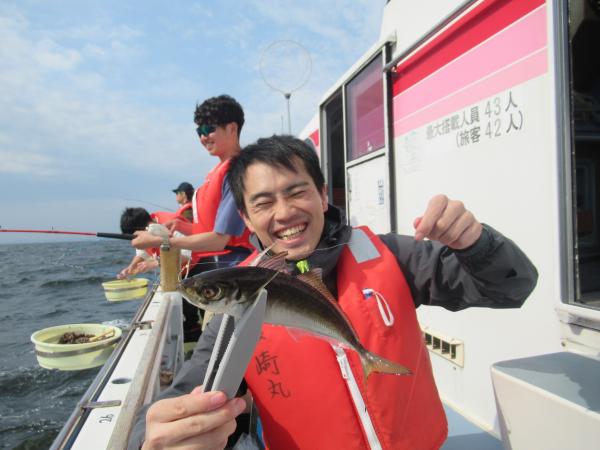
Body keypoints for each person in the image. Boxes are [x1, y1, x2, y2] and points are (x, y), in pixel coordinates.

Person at [128, 135, 538, 450]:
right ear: (247, 220)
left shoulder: (392, 256)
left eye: (297, 192)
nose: (285, 212)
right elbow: (189, 391)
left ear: (323, 195)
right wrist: (157, 434)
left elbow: (511, 288)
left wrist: (475, 244)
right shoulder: (233, 314)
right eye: (264, 203)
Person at [131, 95, 253, 342]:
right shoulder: (219, 171)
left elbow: (219, 240)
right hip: (218, 272)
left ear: (232, 128)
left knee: (218, 346)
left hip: (233, 274)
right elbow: (210, 230)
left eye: (209, 129)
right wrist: (181, 226)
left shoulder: (236, 171)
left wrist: (163, 242)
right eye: (199, 131)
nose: (203, 137)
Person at [117, 207, 191, 280]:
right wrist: (130, 268)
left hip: (193, 269)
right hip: (176, 274)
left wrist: (155, 263)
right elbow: (142, 253)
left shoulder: (172, 225)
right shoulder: (148, 228)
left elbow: (187, 254)